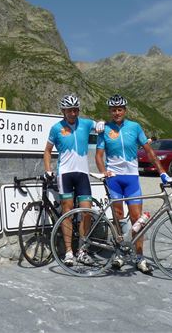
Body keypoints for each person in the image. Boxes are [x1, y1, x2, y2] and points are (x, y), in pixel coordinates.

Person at [95, 94, 172, 274]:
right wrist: (103, 172)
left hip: (131, 178)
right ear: (110, 111)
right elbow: (98, 156)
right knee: (118, 216)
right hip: (114, 179)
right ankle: (119, 253)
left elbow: (150, 152)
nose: (116, 113)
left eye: (119, 109)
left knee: (137, 218)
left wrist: (162, 172)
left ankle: (139, 256)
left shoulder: (135, 127)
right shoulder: (104, 129)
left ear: (125, 110)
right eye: (113, 110)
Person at [43, 94, 104, 266]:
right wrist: (48, 170)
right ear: (63, 111)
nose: (73, 113)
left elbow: (100, 125)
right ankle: (69, 252)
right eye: (70, 110)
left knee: (87, 212)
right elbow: (47, 151)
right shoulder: (56, 128)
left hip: (82, 174)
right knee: (67, 212)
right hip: (65, 174)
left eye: (76, 110)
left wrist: (101, 123)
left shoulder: (85, 123)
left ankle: (82, 250)